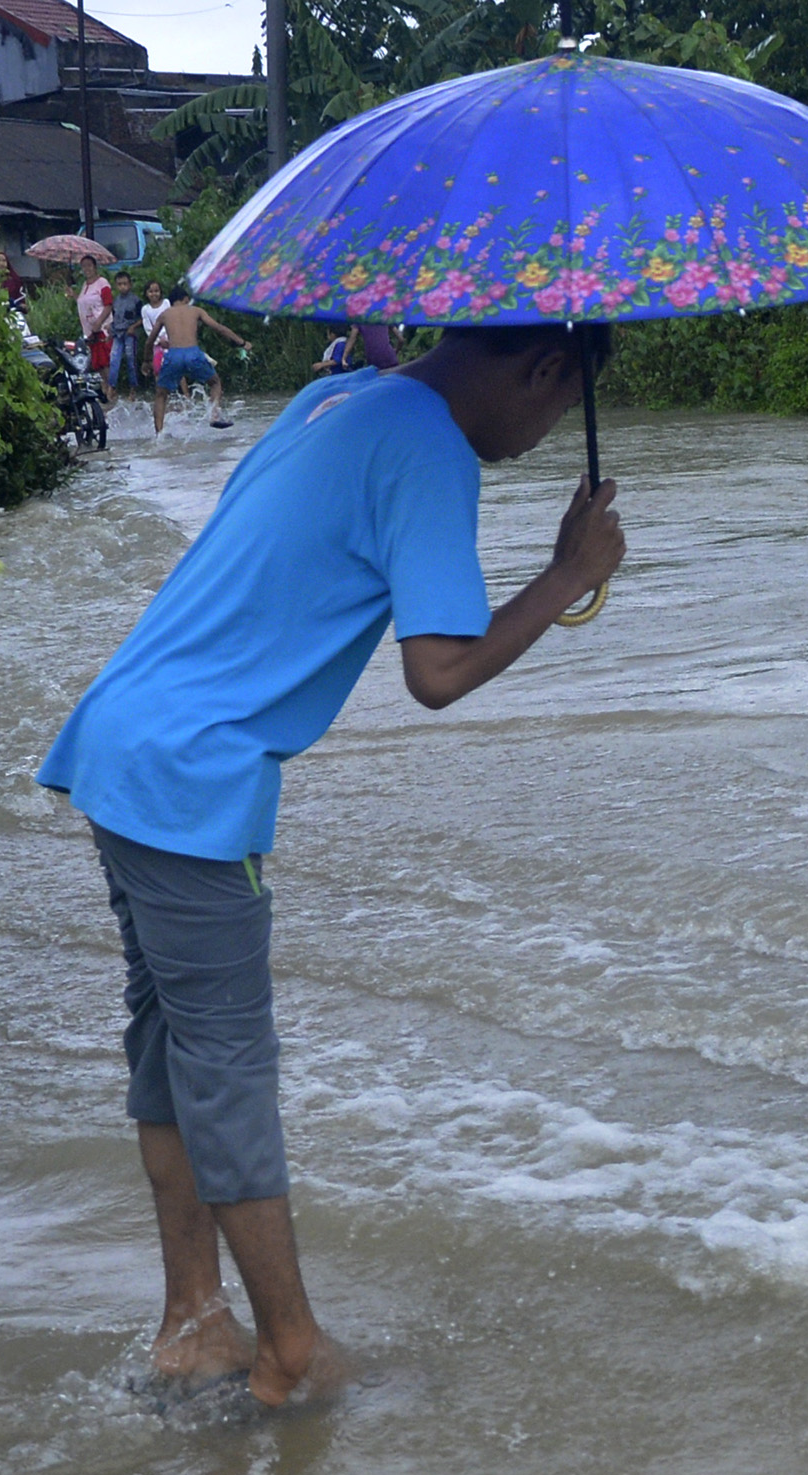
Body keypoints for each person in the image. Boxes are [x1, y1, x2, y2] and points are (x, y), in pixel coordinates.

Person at [34, 325, 629, 1406]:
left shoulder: (339, 398)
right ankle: (290, 1349)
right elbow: (437, 673)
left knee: (173, 1050)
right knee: (227, 1067)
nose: (544, 434)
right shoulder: (432, 447)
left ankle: (193, 1320)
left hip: (124, 743)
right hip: (192, 780)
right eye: (559, 407)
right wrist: (566, 576)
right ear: (547, 371)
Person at [152, 283, 252, 436]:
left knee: (161, 394)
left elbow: (150, 341)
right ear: (186, 299)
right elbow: (219, 328)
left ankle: (159, 435)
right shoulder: (196, 310)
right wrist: (242, 343)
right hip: (193, 354)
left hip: (173, 355)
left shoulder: (164, 314)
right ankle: (214, 415)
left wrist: (147, 361)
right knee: (215, 383)